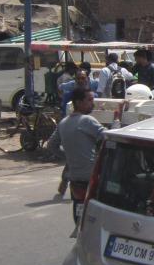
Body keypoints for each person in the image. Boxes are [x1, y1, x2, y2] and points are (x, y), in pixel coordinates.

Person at [47, 88, 123, 236]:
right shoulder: (87, 120)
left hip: (75, 178)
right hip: (92, 177)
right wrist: (117, 120)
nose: (92, 103)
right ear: (78, 102)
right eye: (89, 100)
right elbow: (110, 137)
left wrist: (68, 156)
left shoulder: (63, 122)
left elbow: (51, 145)